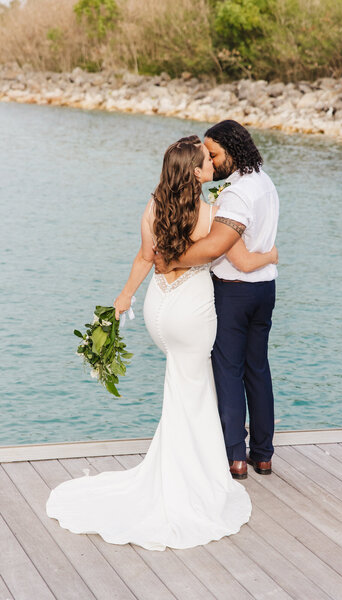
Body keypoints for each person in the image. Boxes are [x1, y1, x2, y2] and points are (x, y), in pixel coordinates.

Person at [46, 135, 277, 551]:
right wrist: (272, 255)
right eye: (207, 159)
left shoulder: (153, 206)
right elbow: (236, 259)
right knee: (196, 390)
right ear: (195, 172)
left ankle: (180, 464)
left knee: (181, 390)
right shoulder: (213, 212)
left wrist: (123, 298)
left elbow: (144, 256)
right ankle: (192, 480)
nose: (212, 163)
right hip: (190, 313)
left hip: (158, 309)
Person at [154, 121, 279, 480]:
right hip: (264, 291)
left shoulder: (236, 195)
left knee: (227, 371)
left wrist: (173, 260)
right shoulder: (265, 183)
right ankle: (264, 455)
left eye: (214, 153)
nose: (210, 159)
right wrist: (270, 257)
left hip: (235, 292)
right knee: (257, 369)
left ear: (233, 151)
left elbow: (216, 249)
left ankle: (235, 456)